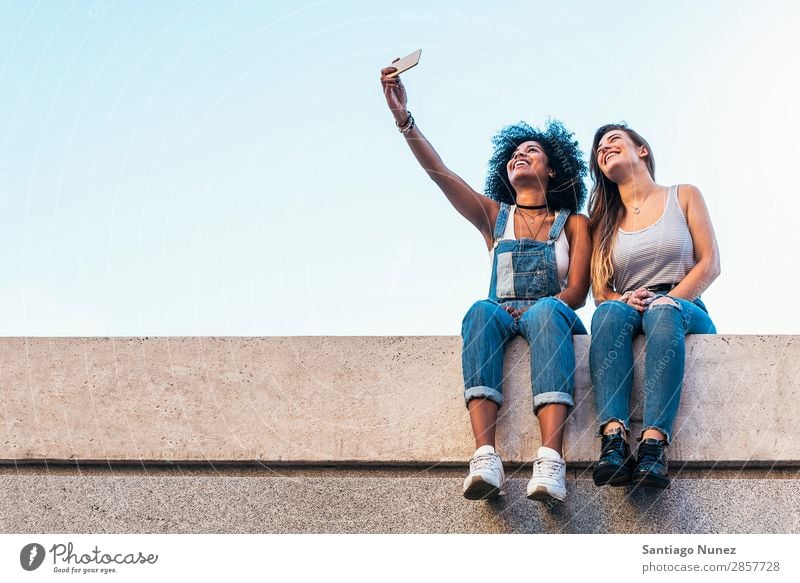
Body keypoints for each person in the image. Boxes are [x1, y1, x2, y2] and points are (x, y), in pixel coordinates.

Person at [380, 63, 590, 503]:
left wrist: (540, 305)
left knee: (551, 309)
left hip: (550, 315)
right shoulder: (495, 217)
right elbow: (441, 173)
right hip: (501, 314)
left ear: (553, 170)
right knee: (479, 309)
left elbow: (577, 292)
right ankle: (485, 456)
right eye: (514, 153)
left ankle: (551, 459)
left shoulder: (574, 224)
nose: (520, 155)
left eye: (531, 151)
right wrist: (405, 120)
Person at [587, 123, 720, 489]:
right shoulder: (605, 223)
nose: (604, 149)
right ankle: (614, 441)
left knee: (664, 311)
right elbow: (601, 292)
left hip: (684, 307)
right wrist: (621, 299)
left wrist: (668, 299)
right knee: (607, 312)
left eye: (613, 140)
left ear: (641, 149)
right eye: (598, 149)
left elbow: (709, 263)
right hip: (631, 307)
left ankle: (654, 445)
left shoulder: (684, 195)